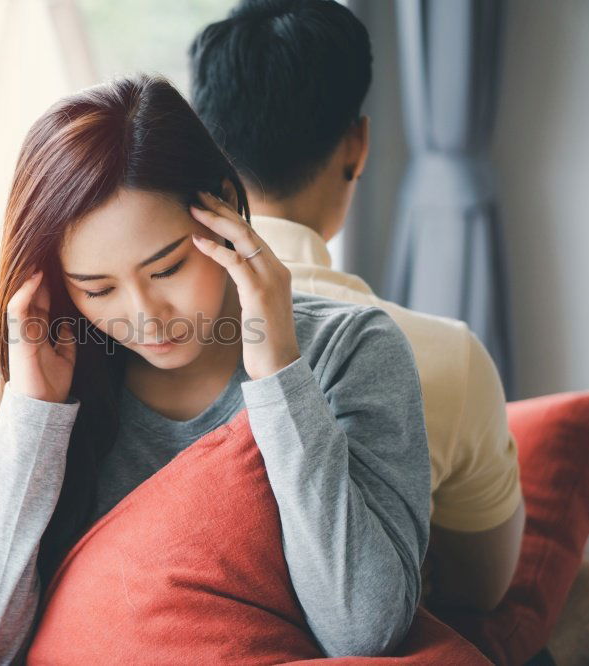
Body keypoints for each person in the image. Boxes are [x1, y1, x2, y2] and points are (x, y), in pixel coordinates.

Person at [0, 73, 430, 664]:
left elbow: (364, 630)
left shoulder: (352, 352)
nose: (145, 318)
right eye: (99, 289)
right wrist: (33, 417)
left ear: (221, 207)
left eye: (166, 269)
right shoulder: (58, 381)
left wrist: (278, 375)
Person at [188, 0, 525, 613]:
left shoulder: (141, 338)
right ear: (357, 145)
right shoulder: (451, 360)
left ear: (204, 150)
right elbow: (478, 596)